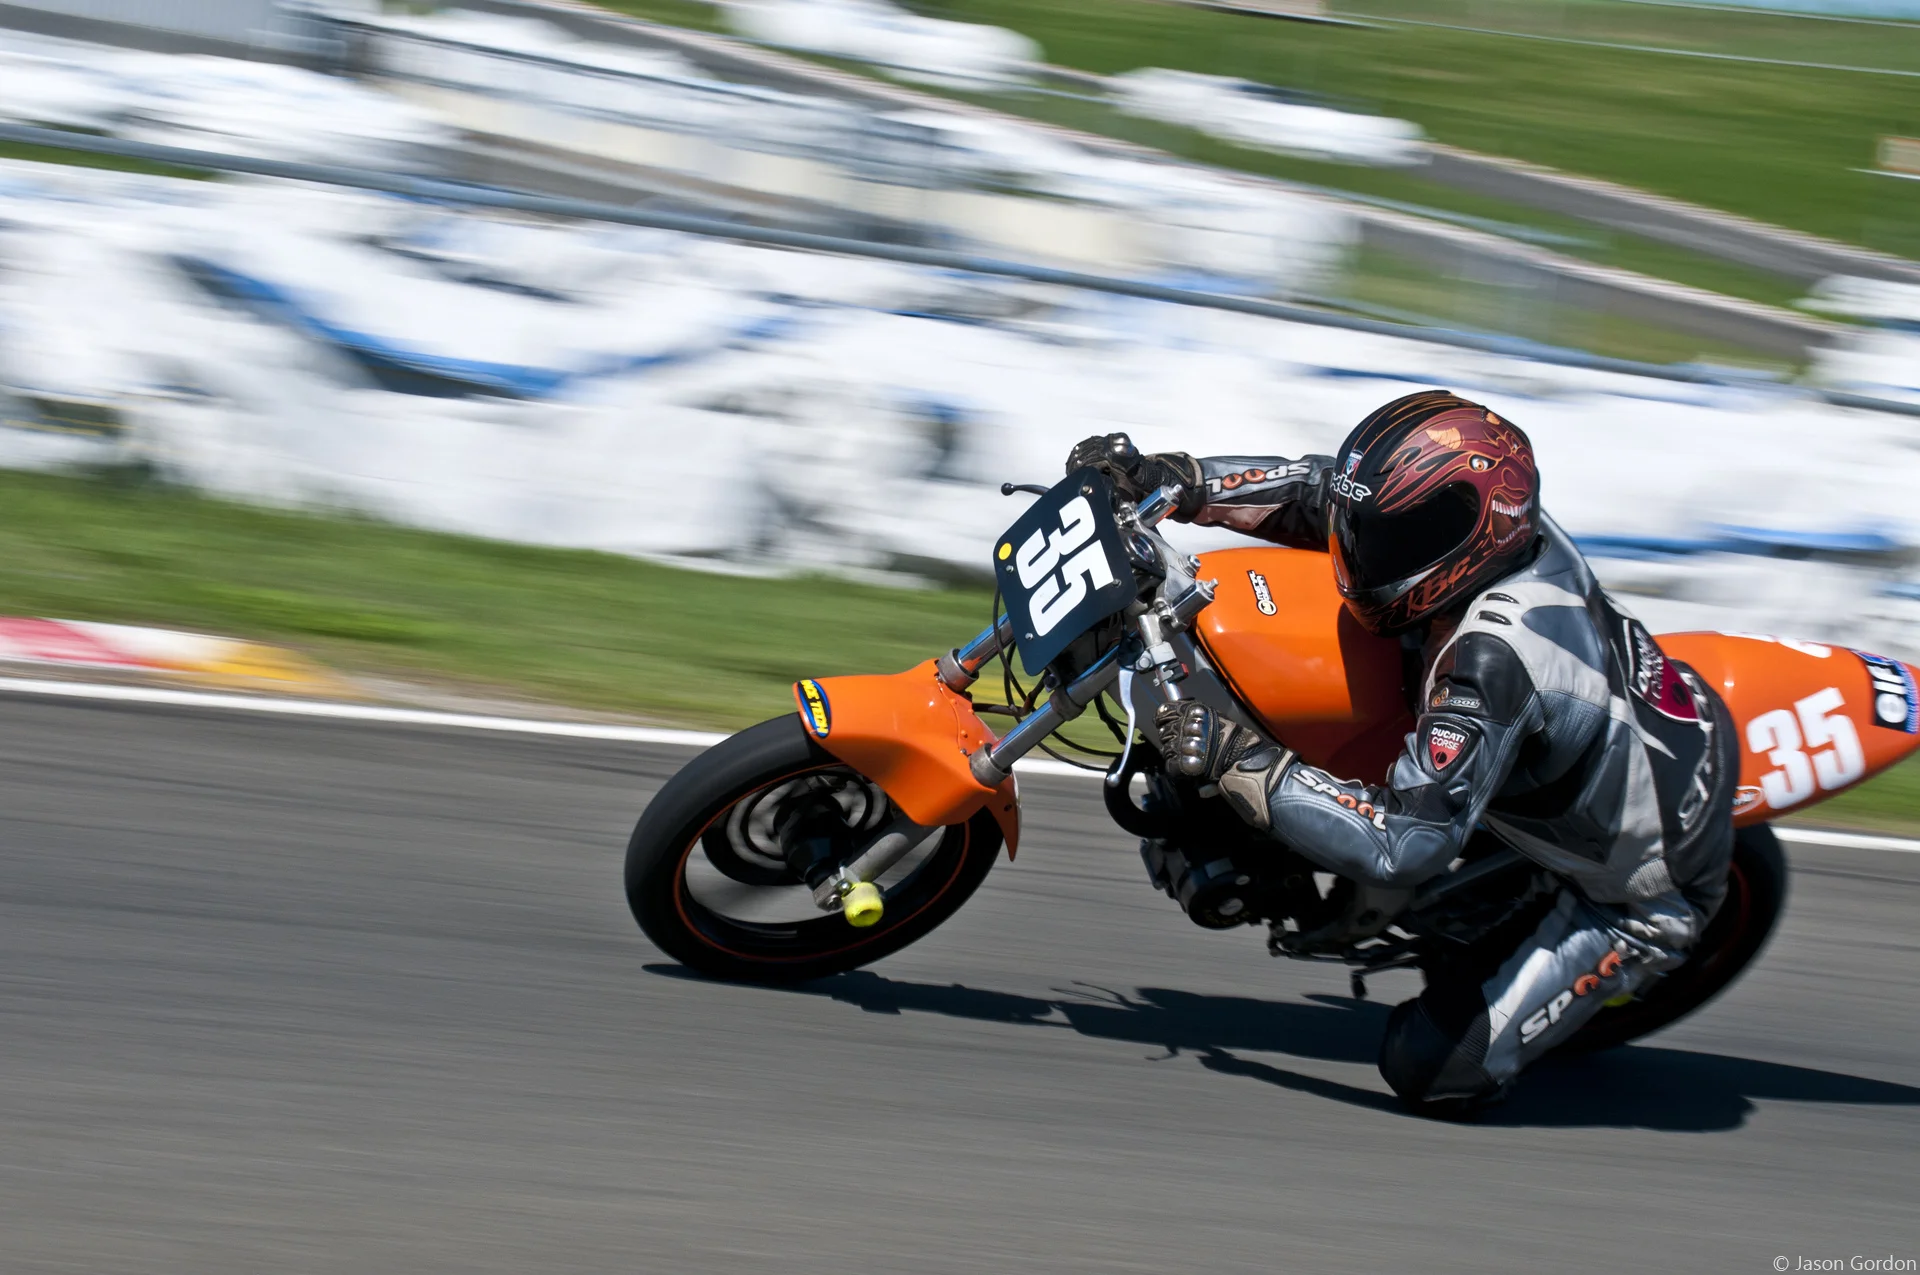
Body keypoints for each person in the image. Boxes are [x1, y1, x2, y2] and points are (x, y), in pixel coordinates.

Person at [1066, 389, 1736, 1117]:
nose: (1362, 551)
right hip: (1584, 742)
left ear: (1476, 533)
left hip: (1643, 882)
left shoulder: (1494, 660)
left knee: (1431, 1066)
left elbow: (1405, 843)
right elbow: (1319, 490)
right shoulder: (1495, 529)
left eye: (1393, 539)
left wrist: (1237, 758)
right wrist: (1176, 479)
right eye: (1371, 531)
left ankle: (1595, 955)